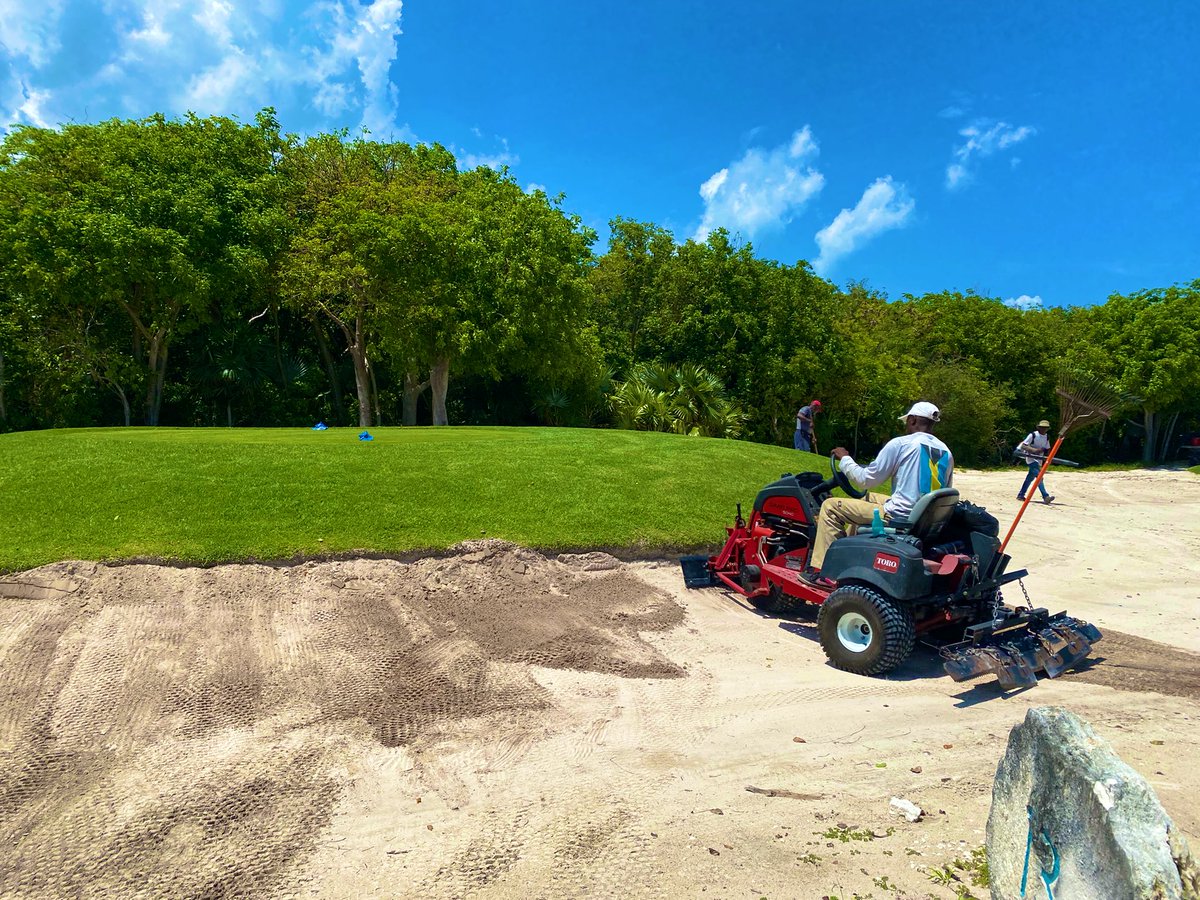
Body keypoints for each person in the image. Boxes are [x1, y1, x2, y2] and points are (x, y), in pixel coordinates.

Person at [802, 401, 954, 583]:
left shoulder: (902, 444)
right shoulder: (946, 451)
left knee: (829, 507)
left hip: (899, 516)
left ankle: (823, 572)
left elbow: (866, 479)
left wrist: (846, 459)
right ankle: (850, 552)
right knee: (868, 496)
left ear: (913, 420)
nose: (906, 425)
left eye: (907, 421)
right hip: (924, 517)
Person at [1016, 419, 1055, 504]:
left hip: (1039, 459)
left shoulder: (1046, 436)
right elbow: (1024, 446)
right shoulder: (1033, 435)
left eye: (1045, 428)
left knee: (1030, 478)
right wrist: (1034, 450)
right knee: (1039, 477)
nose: (1043, 429)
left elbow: (1047, 448)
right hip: (1031, 458)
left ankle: (1021, 495)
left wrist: (1047, 459)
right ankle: (1045, 496)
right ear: (1039, 427)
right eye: (1042, 427)